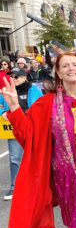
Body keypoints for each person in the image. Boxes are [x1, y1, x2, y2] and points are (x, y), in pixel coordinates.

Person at [3, 52, 76, 228]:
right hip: (68, 175)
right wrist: (14, 107)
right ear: (59, 74)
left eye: (74, 64)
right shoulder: (46, 104)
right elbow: (28, 135)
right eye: (65, 66)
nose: (71, 68)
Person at [0, 68, 43, 200]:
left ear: (25, 77)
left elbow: (41, 108)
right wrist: (3, 113)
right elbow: (0, 106)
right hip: (15, 129)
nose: (13, 79)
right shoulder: (6, 92)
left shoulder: (35, 90)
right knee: (14, 159)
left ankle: (37, 185)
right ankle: (14, 186)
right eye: (11, 77)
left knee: (36, 157)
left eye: (16, 76)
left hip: (33, 129)